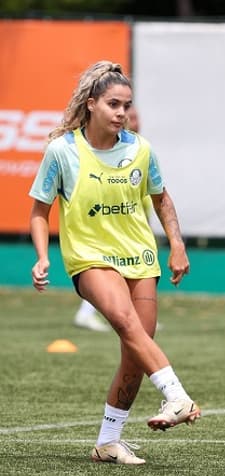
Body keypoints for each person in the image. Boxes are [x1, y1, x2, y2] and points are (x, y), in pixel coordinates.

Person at [29, 61, 200, 465]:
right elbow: (40, 209)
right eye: (113, 104)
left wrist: (177, 244)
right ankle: (176, 395)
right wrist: (41, 256)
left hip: (140, 256)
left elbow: (161, 199)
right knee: (125, 322)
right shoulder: (62, 151)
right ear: (91, 105)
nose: (121, 112)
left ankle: (108, 441)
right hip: (89, 258)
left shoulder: (140, 149)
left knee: (136, 351)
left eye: (126, 105)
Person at [72, 104, 142, 333]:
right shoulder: (95, 150)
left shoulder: (139, 149)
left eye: (132, 114)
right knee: (112, 270)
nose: (129, 118)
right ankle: (88, 313)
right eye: (128, 115)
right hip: (112, 226)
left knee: (132, 270)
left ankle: (136, 316)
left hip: (135, 222)